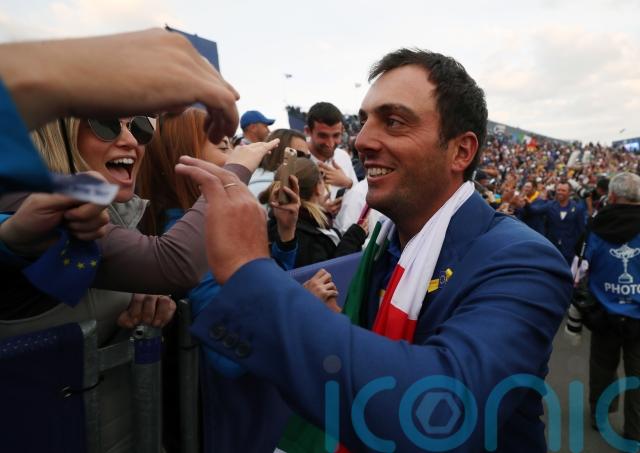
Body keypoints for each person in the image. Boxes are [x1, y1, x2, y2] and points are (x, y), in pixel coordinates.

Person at [176, 48, 573, 452]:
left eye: (394, 122)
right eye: (365, 120)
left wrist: (251, 271)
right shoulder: (386, 244)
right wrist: (333, 324)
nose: (362, 139)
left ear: (461, 151)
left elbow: (438, 413)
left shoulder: (524, 261)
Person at [567, 172, 640, 440]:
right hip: (637, 316)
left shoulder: (595, 227)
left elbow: (577, 272)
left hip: (604, 313)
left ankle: (600, 416)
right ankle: (635, 429)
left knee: (602, 368)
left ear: (612, 196)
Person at [260, 156, 367, 268]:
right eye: (323, 179)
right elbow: (328, 274)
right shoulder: (305, 236)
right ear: (318, 188)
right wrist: (352, 239)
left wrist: (321, 212)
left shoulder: (280, 222)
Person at [305, 102, 358, 217]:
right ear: (308, 131)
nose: (330, 143)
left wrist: (348, 183)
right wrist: (318, 211)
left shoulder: (343, 157)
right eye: (323, 136)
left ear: (342, 131)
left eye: (336, 135)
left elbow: (359, 194)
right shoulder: (298, 160)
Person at [528, 182, 586, 264]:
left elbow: (581, 230)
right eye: (558, 190)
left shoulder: (577, 208)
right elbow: (535, 211)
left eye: (563, 190)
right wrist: (525, 204)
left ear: (569, 192)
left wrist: (575, 246)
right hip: (552, 247)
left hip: (569, 250)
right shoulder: (550, 205)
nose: (560, 192)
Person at [247, 128, 309, 200]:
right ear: (277, 153)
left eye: (307, 157)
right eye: (298, 155)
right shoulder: (265, 185)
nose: (305, 161)